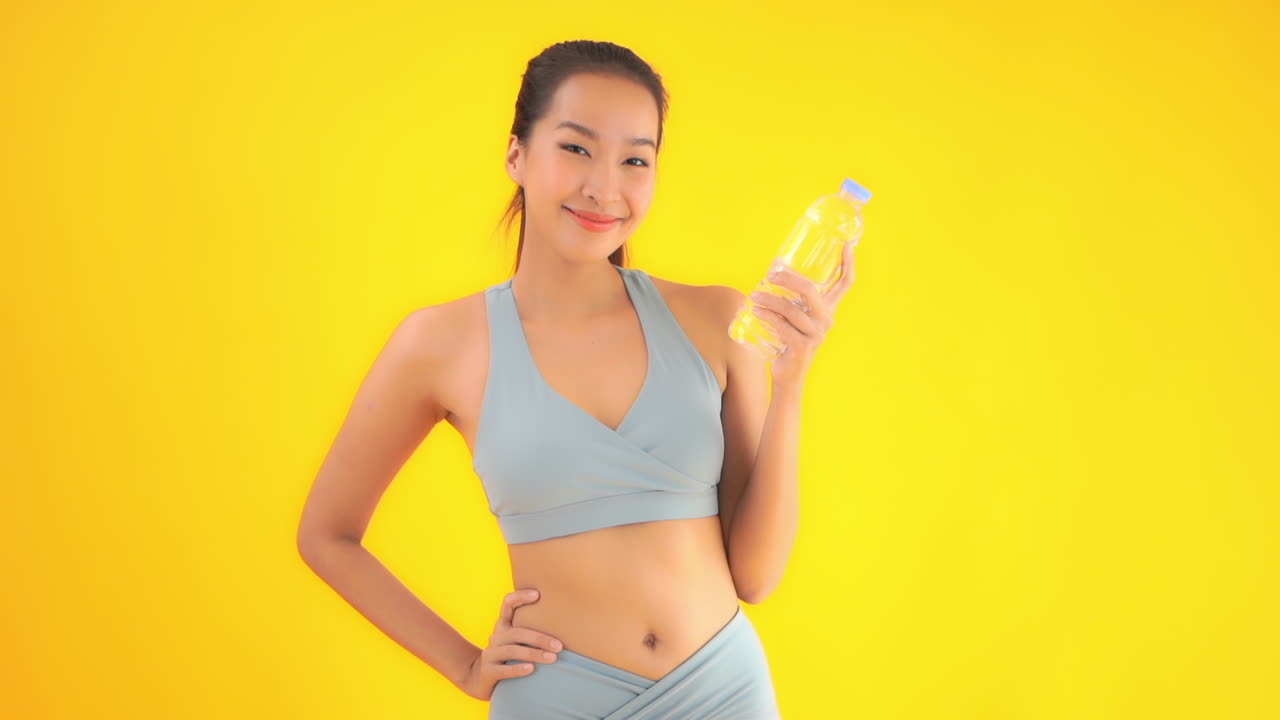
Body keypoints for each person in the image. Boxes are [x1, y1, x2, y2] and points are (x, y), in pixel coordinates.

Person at [296, 39, 856, 720]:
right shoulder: (441, 344)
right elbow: (327, 535)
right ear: (516, 155)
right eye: (576, 148)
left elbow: (756, 578)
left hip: (723, 692)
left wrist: (790, 385)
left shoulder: (717, 320)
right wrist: (464, 664)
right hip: (558, 700)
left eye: (635, 160)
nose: (604, 188)